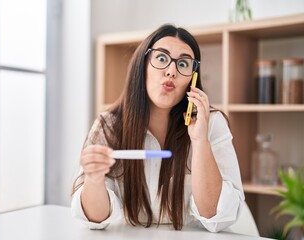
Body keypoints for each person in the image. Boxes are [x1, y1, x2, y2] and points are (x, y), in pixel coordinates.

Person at [71, 24, 244, 232]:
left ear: (192, 78)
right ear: (142, 65)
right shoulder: (109, 124)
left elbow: (216, 216)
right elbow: (95, 219)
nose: (171, 71)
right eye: (161, 59)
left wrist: (200, 142)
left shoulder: (212, 124)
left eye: (183, 64)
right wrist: (94, 178)